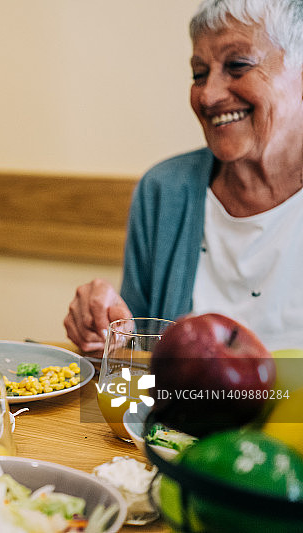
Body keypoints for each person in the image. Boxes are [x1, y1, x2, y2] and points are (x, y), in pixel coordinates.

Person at [64, 0, 303, 354]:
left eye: (237, 66)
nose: (208, 94)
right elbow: (135, 364)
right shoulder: (163, 190)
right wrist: (107, 327)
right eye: (199, 74)